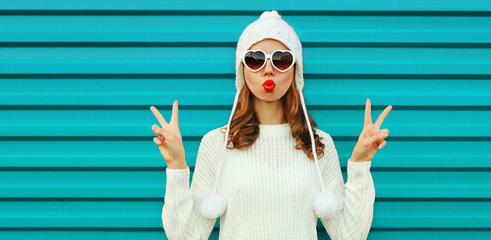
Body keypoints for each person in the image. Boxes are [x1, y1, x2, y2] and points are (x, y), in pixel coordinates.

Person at [150, 10, 392, 240]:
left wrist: (360, 163)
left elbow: (349, 235)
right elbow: (186, 236)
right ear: (242, 71)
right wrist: (176, 165)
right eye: (255, 60)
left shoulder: (318, 144)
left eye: (281, 60)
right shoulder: (217, 144)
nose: (268, 70)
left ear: (295, 70)